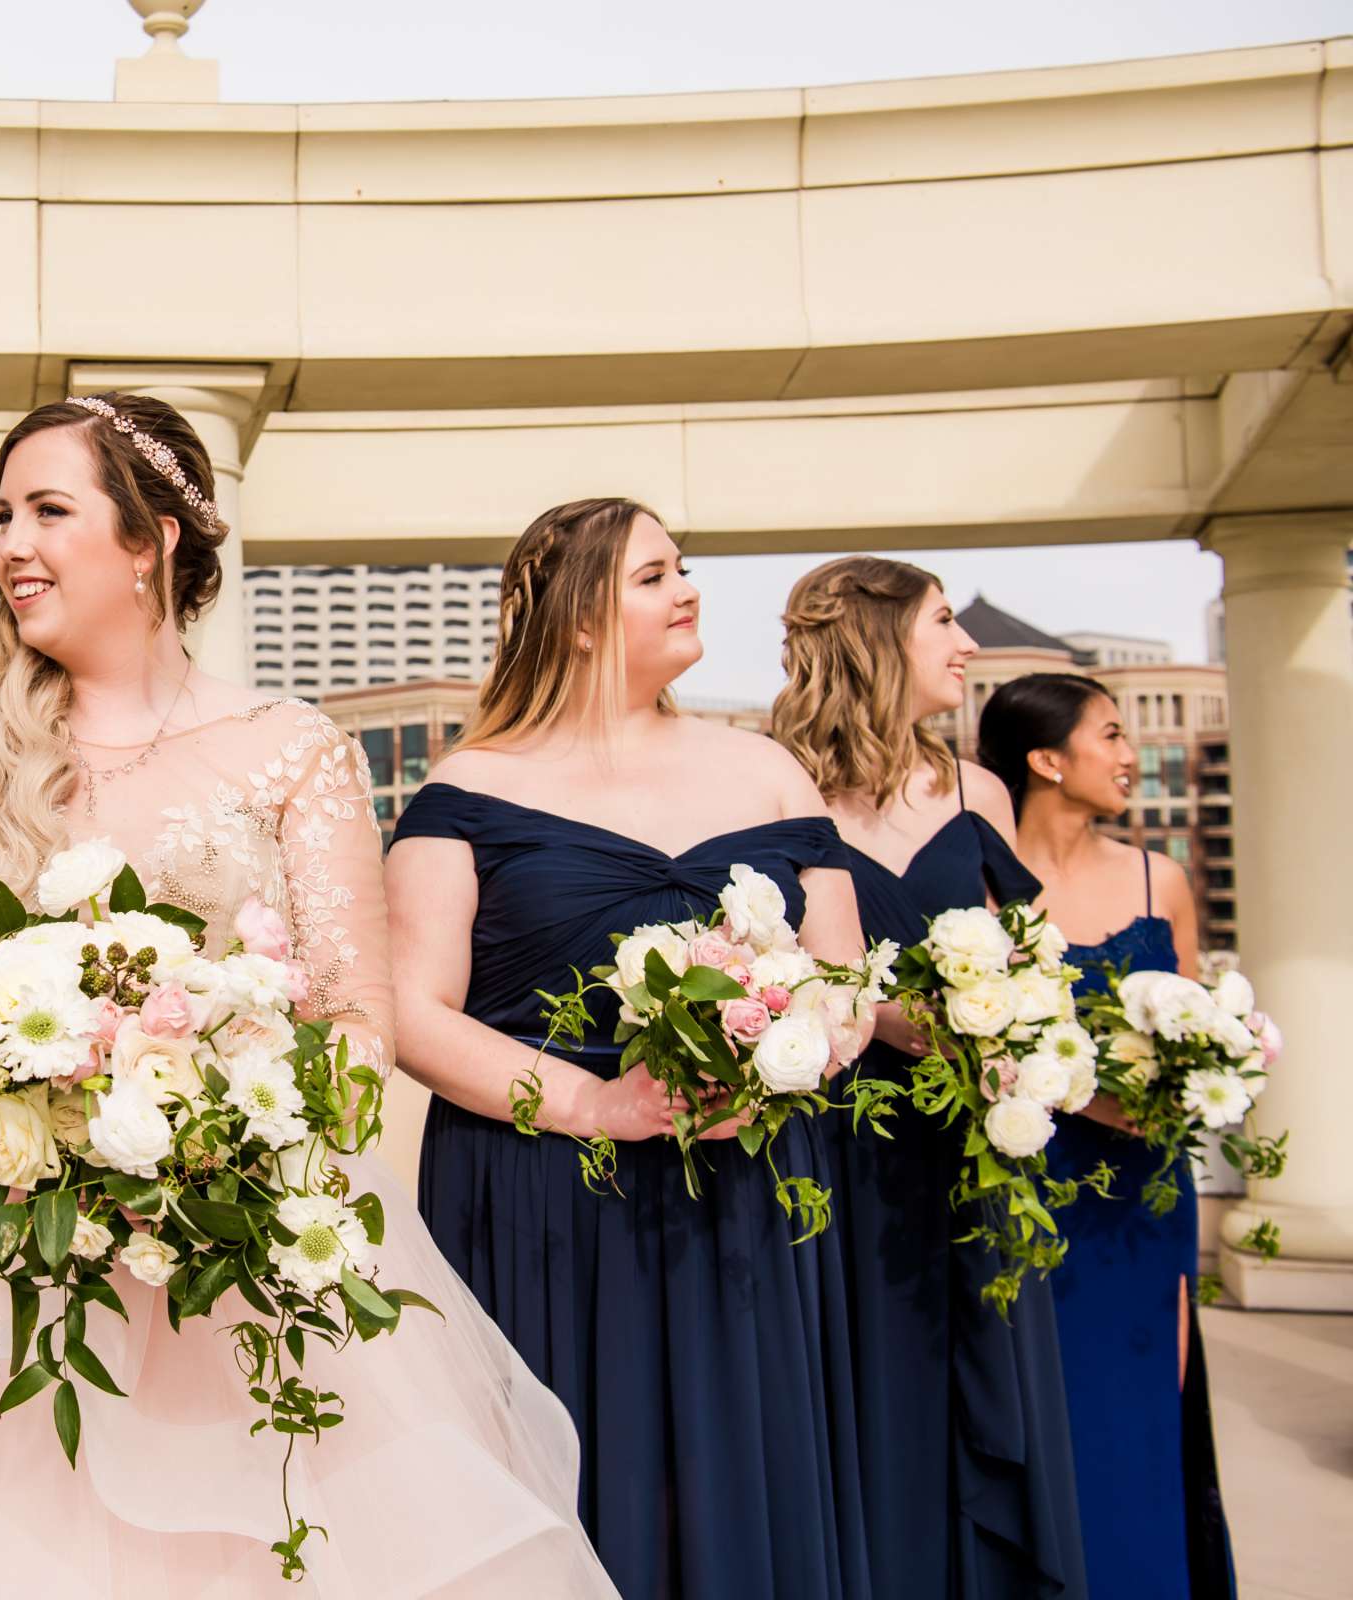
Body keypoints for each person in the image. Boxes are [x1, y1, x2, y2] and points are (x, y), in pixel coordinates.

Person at [0, 394, 616, 1597]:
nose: (11, 545)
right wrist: (28, 1108)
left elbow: (353, 1024)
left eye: (49, 510)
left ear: (153, 541)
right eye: (2, 515)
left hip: (232, 1248)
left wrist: (197, 1126)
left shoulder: (291, 746)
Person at [388, 498, 873, 1600]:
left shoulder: (770, 772)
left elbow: (845, 977)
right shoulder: (466, 790)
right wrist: (593, 1104)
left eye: (684, 567)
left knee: (737, 1480)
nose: (688, 588)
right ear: (580, 616)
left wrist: (788, 1053)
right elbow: (413, 1011)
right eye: (656, 574)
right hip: (538, 1190)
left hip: (741, 1177)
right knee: (563, 1487)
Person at [772, 559, 1086, 1598]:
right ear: (875, 638)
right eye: (944, 621)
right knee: (851, 1391)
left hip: (969, 1147)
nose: (967, 645)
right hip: (833, 1142)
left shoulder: (976, 789)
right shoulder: (776, 786)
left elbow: (1036, 966)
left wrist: (1015, 1037)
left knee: (978, 1387)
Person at [979, 671, 1235, 1600]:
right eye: (1112, 735)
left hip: (1142, 1194)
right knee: (1040, 1416)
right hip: (1026, 1188)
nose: (1131, 756)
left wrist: (1201, 1080)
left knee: (1140, 1418)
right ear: (1047, 760)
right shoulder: (979, 885)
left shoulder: (1156, 876)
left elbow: (1205, 1029)